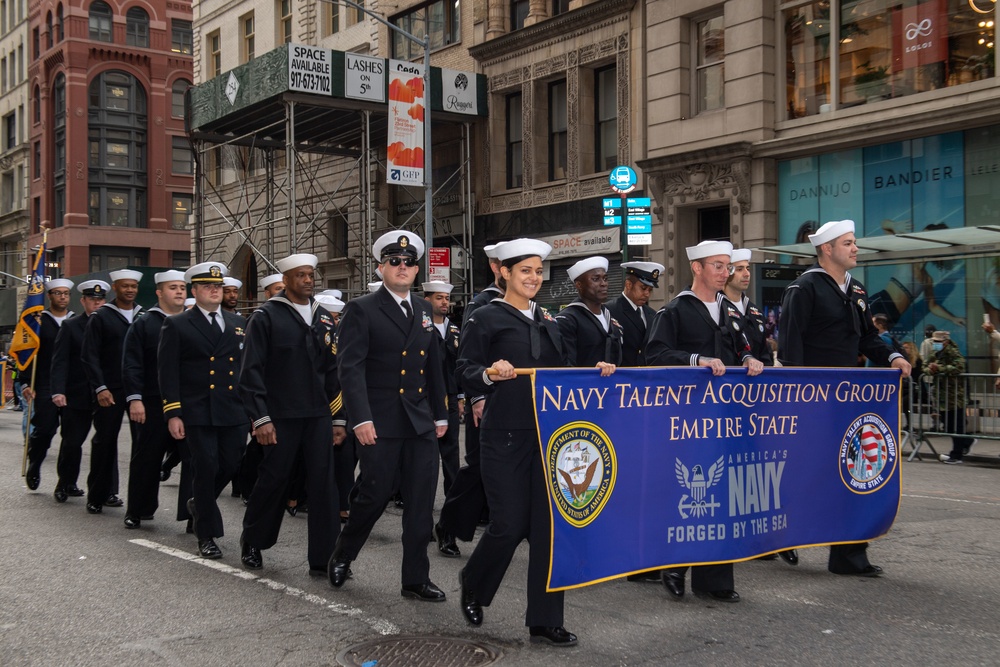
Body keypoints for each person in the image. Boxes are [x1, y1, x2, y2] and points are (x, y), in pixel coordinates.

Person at [456, 238, 615, 646]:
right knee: (507, 525)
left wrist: (593, 370)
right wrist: (490, 373)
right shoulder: (485, 317)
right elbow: (464, 369)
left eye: (538, 271)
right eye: (525, 270)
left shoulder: (548, 320)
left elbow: (562, 372)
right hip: (504, 435)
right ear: (504, 272)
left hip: (550, 439)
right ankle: (474, 581)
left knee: (549, 530)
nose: (533, 278)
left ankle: (544, 620)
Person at [779, 219, 911, 577]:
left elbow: (868, 337)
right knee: (809, 474)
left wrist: (893, 356)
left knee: (852, 472)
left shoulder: (857, 290)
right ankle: (781, 534)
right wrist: (798, 397)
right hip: (814, 400)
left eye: (854, 243)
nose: (855, 248)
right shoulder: (804, 287)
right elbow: (791, 345)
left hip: (848, 401)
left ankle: (850, 555)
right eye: (848, 243)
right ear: (827, 249)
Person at [329, 231, 449, 603]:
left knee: (420, 501)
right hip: (378, 421)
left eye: (409, 262)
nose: (402, 268)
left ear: (416, 270)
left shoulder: (425, 310)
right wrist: (359, 418)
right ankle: (343, 554)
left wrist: (441, 413)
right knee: (374, 494)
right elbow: (349, 368)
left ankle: (415, 579)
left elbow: (434, 367)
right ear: (381, 267)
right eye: (394, 262)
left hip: (419, 421)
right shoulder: (362, 308)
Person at [646, 240, 763, 603]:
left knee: (723, 498)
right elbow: (655, 354)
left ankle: (715, 581)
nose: (725, 272)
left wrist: (750, 360)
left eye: (727, 265)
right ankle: (675, 564)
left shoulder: (730, 309)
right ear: (697, 268)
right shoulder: (676, 310)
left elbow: (745, 345)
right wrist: (695, 359)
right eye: (717, 265)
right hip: (689, 419)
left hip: (725, 418)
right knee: (692, 496)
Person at [239, 253, 345, 574]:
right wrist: (260, 418)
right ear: (286, 281)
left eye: (311, 275)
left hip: (317, 416)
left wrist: (338, 418)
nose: (309, 280)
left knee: (324, 485)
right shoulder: (266, 318)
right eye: (301, 275)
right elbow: (250, 373)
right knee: (274, 479)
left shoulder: (324, 317)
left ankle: (324, 557)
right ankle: (253, 541)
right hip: (280, 416)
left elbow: (333, 371)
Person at [158, 262, 247, 559]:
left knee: (231, 465)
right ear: (194, 291)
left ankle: (199, 501)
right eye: (208, 286)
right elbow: (167, 372)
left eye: (218, 286)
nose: (214, 290)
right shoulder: (178, 324)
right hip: (197, 410)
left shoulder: (237, 322)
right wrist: (173, 413)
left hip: (232, 408)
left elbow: (245, 368)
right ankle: (207, 534)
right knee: (205, 466)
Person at [722, 249, 799, 567]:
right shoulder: (716, 307)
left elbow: (765, 350)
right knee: (731, 471)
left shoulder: (752, 310)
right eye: (738, 269)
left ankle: (772, 537)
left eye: (746, 269)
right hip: (726, 401)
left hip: (757, 401)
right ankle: (735, 535)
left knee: (764, 468)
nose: (745, 274)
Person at [433, 243, 507, 556]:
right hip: (488, 400)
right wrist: (475, 397)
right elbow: (469, 357)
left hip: (518, 402)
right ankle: (447, 526)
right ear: (496, 268)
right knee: (479, 468)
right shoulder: (482, 305)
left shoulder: (527, 307)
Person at [121, 270, 188, 529]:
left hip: (188, 402)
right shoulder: (144, 323)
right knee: (147, 457)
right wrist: (135, 399)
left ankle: (193, 514)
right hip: (152, 402)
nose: (180, 292)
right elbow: (132, 364)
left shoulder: (193, 321)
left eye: (183, 287)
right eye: (173, 288)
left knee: (194, 460)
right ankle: (138, 509)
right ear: (160, 292)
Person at [81, 269, 143, 514]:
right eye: (124, 286)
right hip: (110, 390)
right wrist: (100, 387)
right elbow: (89, 356)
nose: (129, 290)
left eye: (133, 286)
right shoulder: (101, 317)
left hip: (137, 391)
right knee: (105, 442)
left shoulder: (143, 316)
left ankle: (138, 503)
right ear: (115, 288)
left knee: (142, 446)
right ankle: (97, 494)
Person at [49, 281, 107, 503]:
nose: (97, 303)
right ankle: (66, 482)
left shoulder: (110, 324)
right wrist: (58, 391)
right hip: (77, 393)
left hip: (105, 393)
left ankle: (107, 490)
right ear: (83, 301)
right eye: (92, 299)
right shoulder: (71, 326)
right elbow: (60, 362)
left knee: (105, 443)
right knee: (72, 442)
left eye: (100, 300)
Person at [421, 280, 463, 558]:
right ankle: (420, 525)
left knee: (452, 470)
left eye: (447, 298)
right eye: (439, 298)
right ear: (426, 300)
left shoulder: (455, 330)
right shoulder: (418, 327)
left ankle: (447, 530)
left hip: (448, 402)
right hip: (422, 404)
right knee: (422, 470)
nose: (445, 302)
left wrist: (460, 397)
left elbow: (459, 366)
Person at [23, 279, 75, 492]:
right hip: (44, 383)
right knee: (45, 430)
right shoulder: (38, 321)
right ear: (49, 296)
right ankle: (35, 462)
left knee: (72, 437)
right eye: (57, 293)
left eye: (65, 293)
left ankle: (66, 481)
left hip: (72, 386)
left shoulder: (77, 321)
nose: (62, 297)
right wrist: (25, 382)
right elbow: (27, 354)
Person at [556, 256, 623, 367]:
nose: (603, 284)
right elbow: (565, 366)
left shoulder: (611, 318)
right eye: (595, 279)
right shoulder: (568, 320)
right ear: (579, 285)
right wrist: (591, 373)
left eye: (605, 279)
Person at [923, 331, 975, 464]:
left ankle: (956, 455)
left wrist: (939, 368)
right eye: (934, 342)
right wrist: (931, 369)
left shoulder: (953, 352)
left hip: (955, 395)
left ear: (945, 342)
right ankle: (968, 440)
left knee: (956, 425)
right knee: (947, 425)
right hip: (942, 396)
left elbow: (959, 367)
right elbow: (925, 366)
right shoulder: (935, 354)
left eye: (939, 342)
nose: (936, 344)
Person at [606, 261, 663, 367]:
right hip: (622, 379)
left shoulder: (652, 314)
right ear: (628, 285)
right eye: (643, 288)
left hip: (646, 378)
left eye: (650, 290)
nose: (647, 294)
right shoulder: (610, 310)